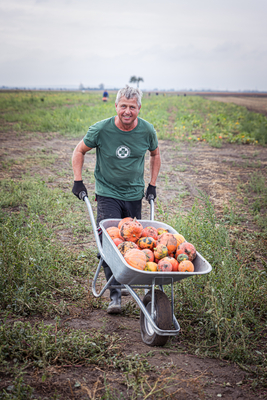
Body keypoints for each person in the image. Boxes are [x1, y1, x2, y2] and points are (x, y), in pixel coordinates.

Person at [72, 85, 161, 314]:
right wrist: (78, 180)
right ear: (116, 106)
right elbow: (79, 151)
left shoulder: (147, 131)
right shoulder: (101, 129)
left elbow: (155, 154)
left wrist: (152, 185)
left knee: (132, 242)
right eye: (123, 106)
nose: (127, 111)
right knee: (110, 243)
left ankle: (127, 281)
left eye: (132, 107)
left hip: (134, 195)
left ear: (139, 108)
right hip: (107, 193)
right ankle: (115, 294)